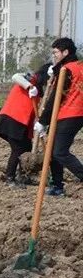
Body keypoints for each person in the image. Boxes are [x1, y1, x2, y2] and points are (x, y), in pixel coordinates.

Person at [35, 37, 82, 197]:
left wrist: (42, 121)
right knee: (52, 150)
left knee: (59, 152)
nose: (54, 55)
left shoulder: (66, 70)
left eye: (56, 53)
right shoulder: (78, 66)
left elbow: (57, 97)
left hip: (69, 114)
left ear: (65, 52)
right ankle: (57, 185)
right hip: (76, 114)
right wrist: (55, 71)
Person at [0, 66, 47, 188]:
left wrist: (40, 128)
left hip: (22, 123)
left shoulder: (39, 91)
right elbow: (15, 76)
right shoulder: (30, 79)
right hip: (12, 119)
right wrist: (29, 86)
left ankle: (22, 175)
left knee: (26, 147)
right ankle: (10, 178)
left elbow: (33, 112)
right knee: (17, 149)